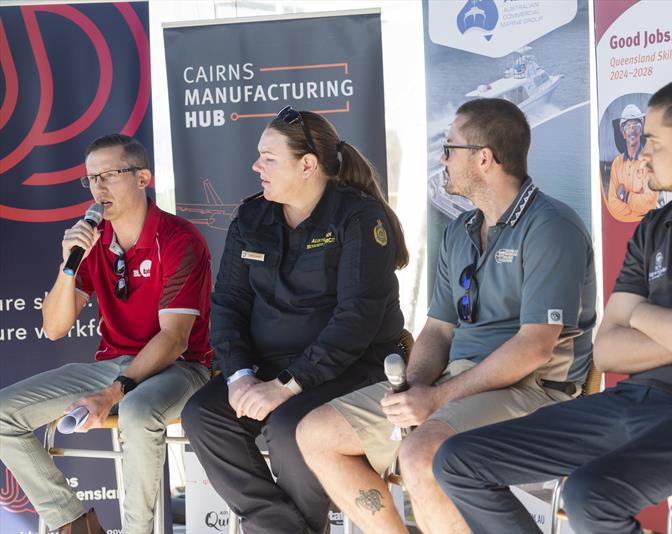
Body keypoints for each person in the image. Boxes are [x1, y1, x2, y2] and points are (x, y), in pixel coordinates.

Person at [433, 75, 672, 534]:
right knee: (457, 459)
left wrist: (642, 317)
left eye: (653, 141)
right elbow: (608, 351)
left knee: (592, 494)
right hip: (632, 401)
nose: (641, 152)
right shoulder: (656, 227)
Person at [297, 98, 596, 534]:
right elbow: (438, 328)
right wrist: (414, 387)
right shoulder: (459, 230)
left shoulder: (551, 226)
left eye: (449, 148)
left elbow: (535, 348)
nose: (442, 158)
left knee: (421, 454)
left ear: (484, 158)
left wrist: (436, 399)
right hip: (456, 384)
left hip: (535, 392)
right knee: (316, 434)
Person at [180, 106, 409, 534]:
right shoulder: (251, 216)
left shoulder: (358, 217)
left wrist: (286, 386)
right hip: (266, 369)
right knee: (203, 414)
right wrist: (240, 377)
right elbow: (227, 302)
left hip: (350, 367)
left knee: (290, 428)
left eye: (269, 157)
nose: (256, 166)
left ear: (308, 165)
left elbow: (356, 320)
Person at [0, 134, 213, 533]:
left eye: (110, 175)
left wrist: (114, 392)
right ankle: (74, 524)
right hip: (116, 363)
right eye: (91, 178)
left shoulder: (179, 239)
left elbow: (174, 338)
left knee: (135, 410)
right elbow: (53, 327)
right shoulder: (93, 240)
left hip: (181, 367)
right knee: (2, 413)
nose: (99, 187)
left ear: (142, 178)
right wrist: (68, 265)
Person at [607, 103, 658, 221]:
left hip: (646, 226)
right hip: (622, 226)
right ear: (623, 133)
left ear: (641, 131)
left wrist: (624, 196)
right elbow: (612, 202)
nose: (632, 130)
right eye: (628, 126)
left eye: (636, 125)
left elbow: (650, 204)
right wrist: (636, 208)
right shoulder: (617, 164)